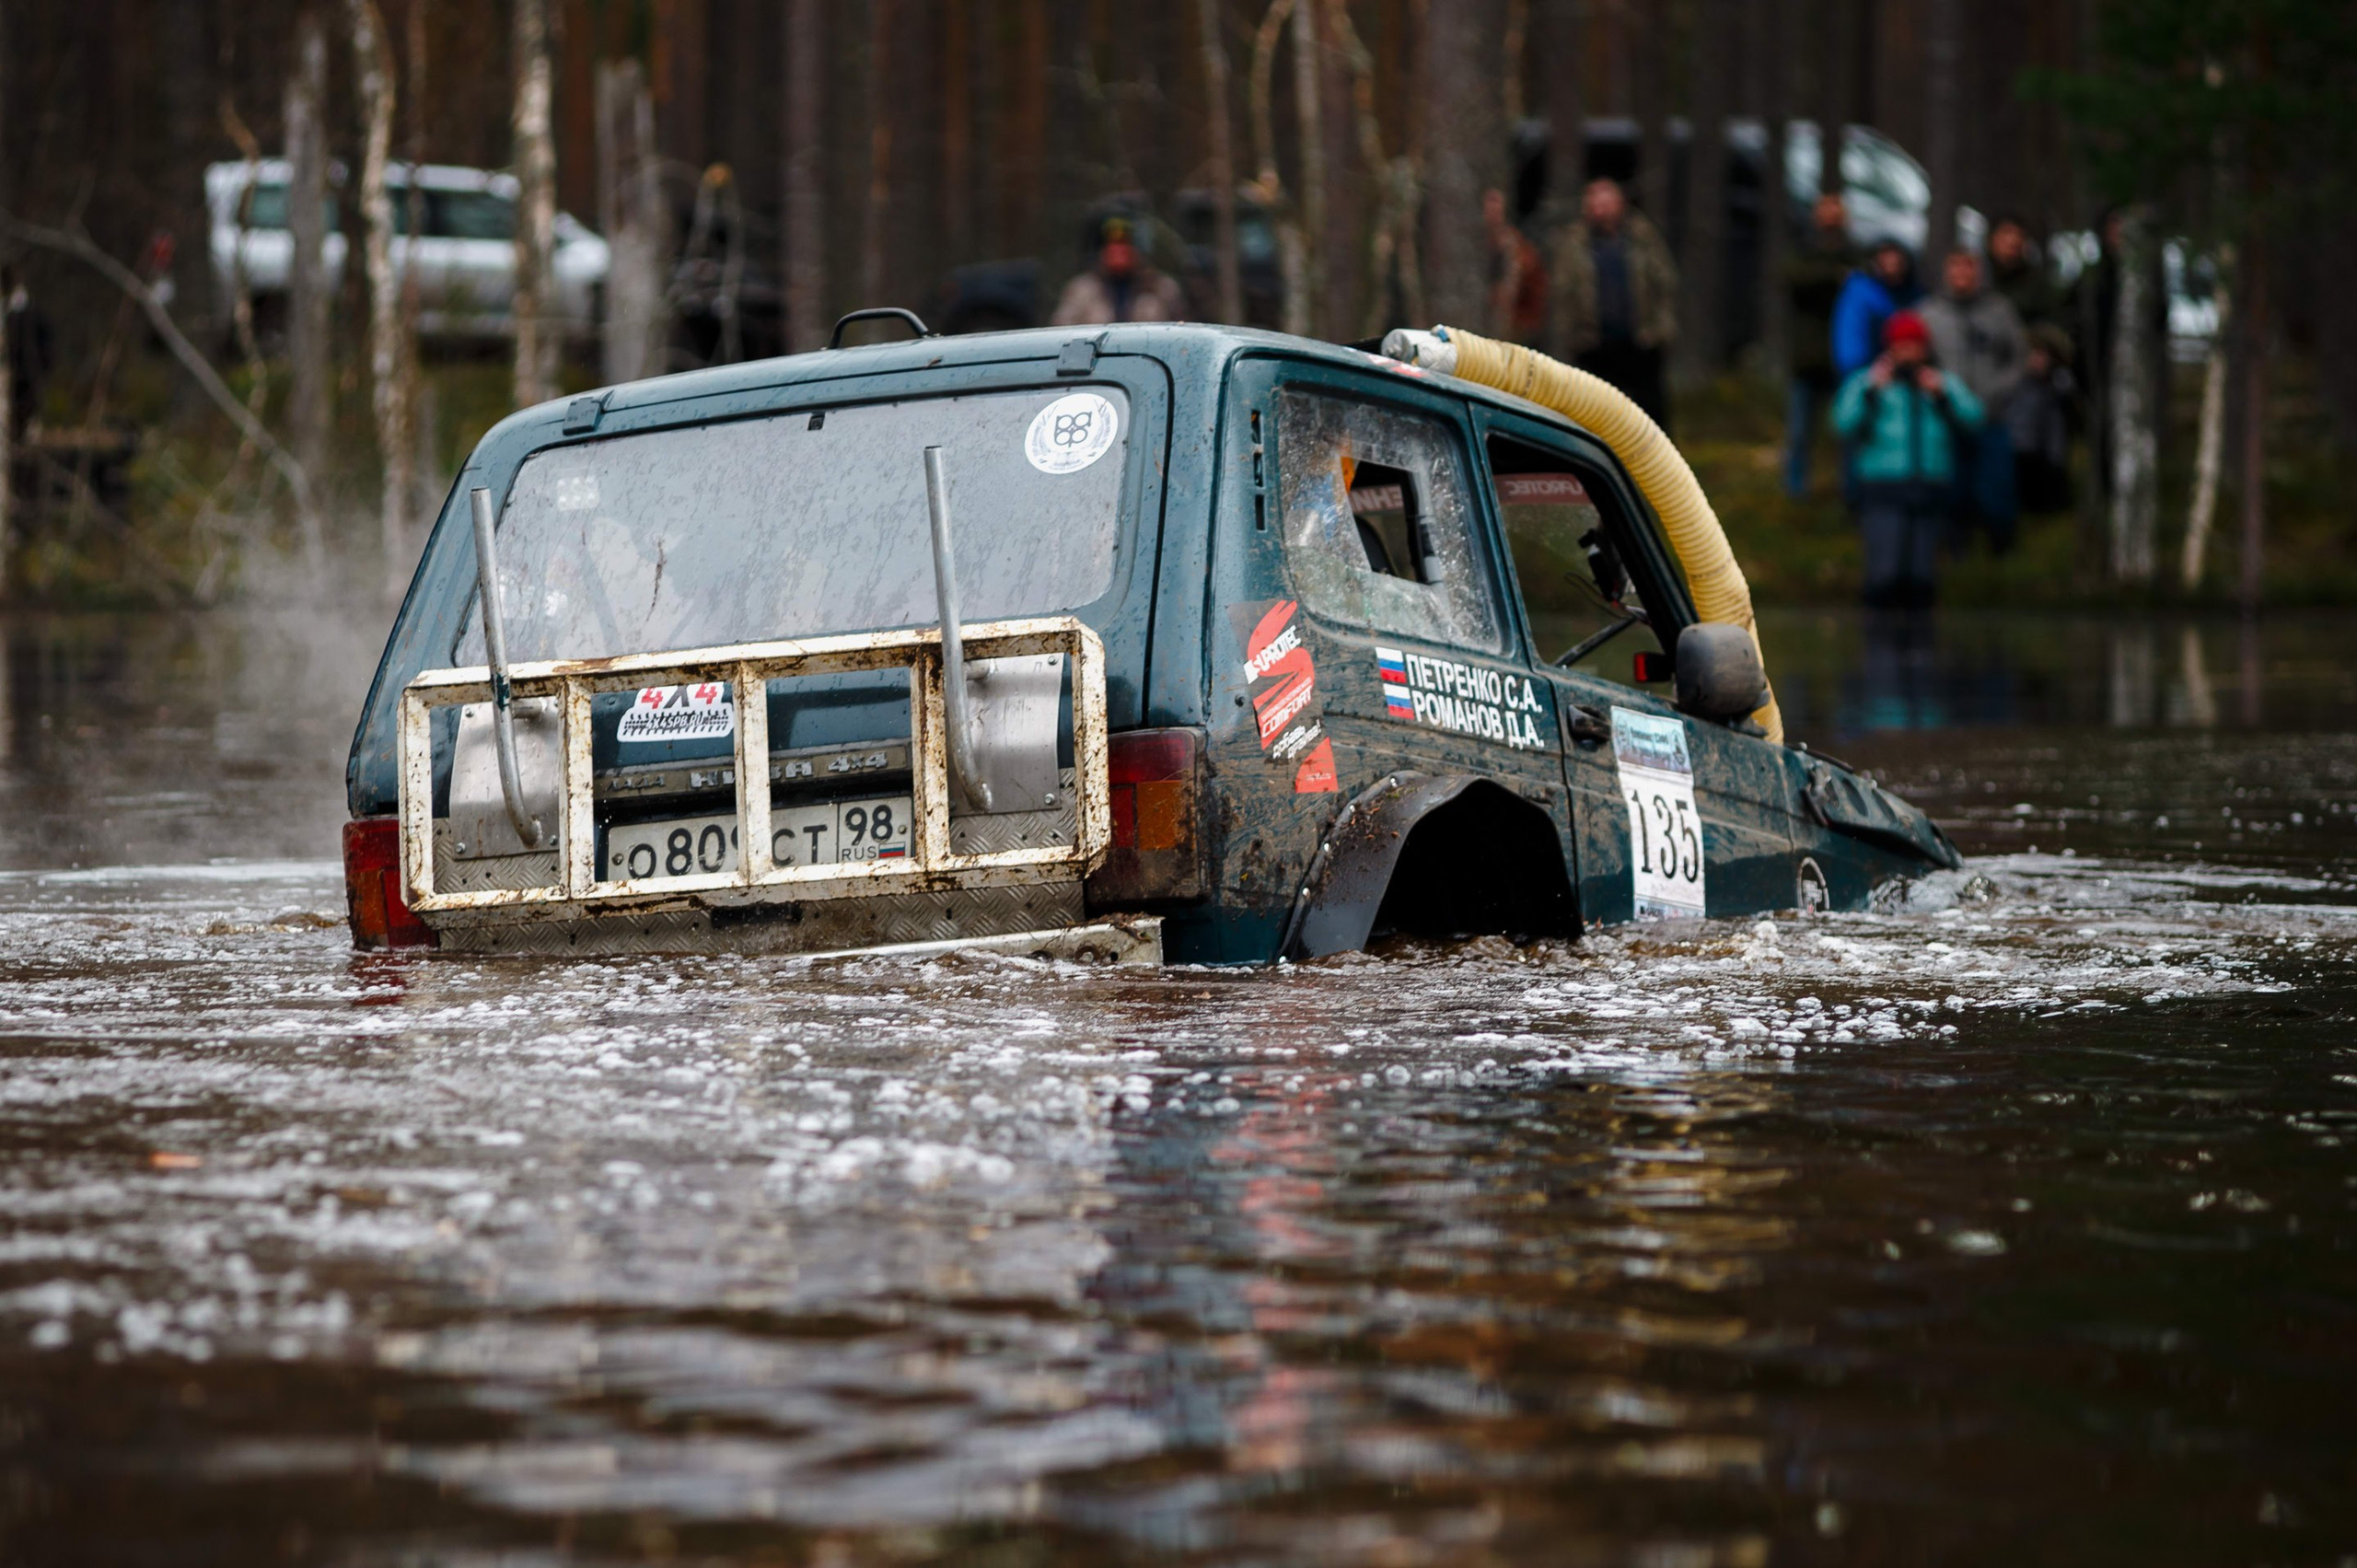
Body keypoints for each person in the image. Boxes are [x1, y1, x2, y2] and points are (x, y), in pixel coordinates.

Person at [1829, 309, 1984, 609]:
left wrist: (1941, 394)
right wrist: (1871, 391)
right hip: (1882, 486)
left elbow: (1975, 418)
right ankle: (1879, 644)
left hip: (1929, 485)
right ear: (1890, 348)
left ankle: (1919, 647)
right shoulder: (1870, 381)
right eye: (1902, 346)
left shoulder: (1940, 381)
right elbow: (1842, 423)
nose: (1908, 353)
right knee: (1884, 573)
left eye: (1914, 345)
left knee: (1922, 576)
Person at [1548, 176, 1678, 431]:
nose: (1601, 208)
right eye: (1595, 202)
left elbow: (1665, 283)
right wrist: (1573, 336)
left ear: (1621, 204)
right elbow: (1562, 294)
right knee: (1596, 415)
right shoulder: (1574, 243)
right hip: (1594, 347)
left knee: (1651, 415)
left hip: (1642, 344)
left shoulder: (1642, 237)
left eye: (1607, 202)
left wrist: (1661, 331)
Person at [1920, 247, 2026, 552]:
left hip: (1991, 415)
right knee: (1953, 488)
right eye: (1956, 269)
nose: (1962, 275)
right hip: (1947, 418)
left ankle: (2002, 551)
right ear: (1946, 273)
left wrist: (2000, 391)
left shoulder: (1999, 310)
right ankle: (1956, 552)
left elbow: (2018, 357)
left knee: (1997, 488)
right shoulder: (1929, 313)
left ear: (1978, 273)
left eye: (1968, 269)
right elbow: (1918, 359)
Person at [1782, 192, 1858, 497]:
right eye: (1825, 211)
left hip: (1843, 358)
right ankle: (1795, 490)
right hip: (1807, 358)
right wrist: (1834, 278)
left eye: (1835, 211)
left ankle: (1848, 491)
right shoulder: (1803, 248)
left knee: (1847, 430)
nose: (1830, 217)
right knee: (1800, 431)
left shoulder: (1854, 252)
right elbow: (1795, 280)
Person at [1051, 215, 1186, 326]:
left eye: (1125, 247)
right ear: (1101, 252)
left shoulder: (1161, 288)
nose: (1119, 253)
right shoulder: (1082, 291)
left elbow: (1182, 331)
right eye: (1113, 248)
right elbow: (1061, 333)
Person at [2006, 324, 2079, 516]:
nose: (2037, 360)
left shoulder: (2060, 385)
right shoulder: (2016, 384)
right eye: (2033, 354)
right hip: (2022, 453)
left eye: (2042, 354)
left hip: (2050, 456)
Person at [1830, 239, 1920, 382]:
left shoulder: (1912, 297)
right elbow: (1851, 340)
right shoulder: (1862, 291)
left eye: (1897, 262)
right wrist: (1859, 375)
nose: (1891, 266)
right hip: (1867, 374)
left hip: (1902, 373)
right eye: (1886, 260)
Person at [1483, 188, 1548, 345]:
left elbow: (1535, 285)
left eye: (1497, 205)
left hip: (1510, 329)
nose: (1493, 211)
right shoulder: (1472, 244)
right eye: (1489, 205)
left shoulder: (1518, 246)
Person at [1986, 215, 2061, 334]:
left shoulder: (2036, 285)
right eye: (2007, 233)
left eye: (2020, 235)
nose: (2013, 241)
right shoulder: (1979, 279)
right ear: (1991, 240)